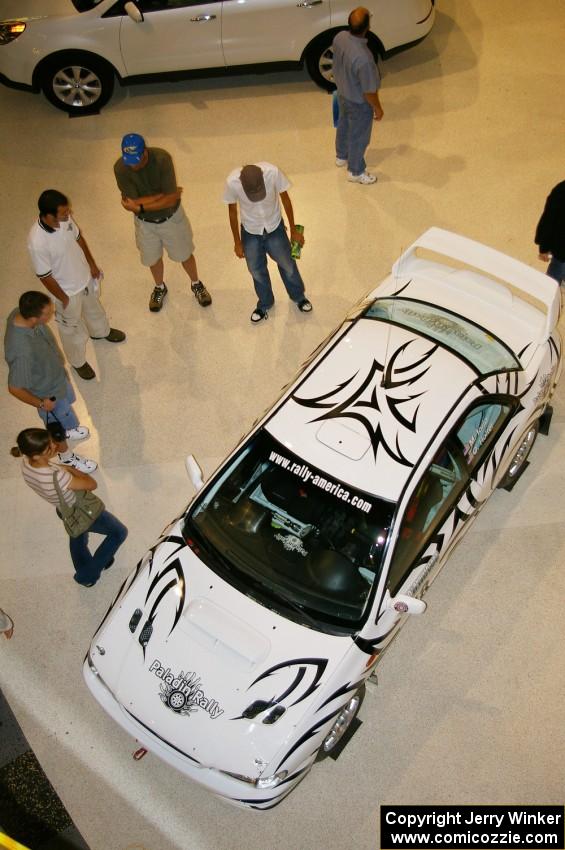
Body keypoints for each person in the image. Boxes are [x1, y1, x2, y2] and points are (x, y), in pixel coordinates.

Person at [27, 189, 125, 381]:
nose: (69, 215)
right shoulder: (37, 242)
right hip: (66, 291)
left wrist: (91, 265)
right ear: (48, 216)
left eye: (68, 211)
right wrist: (63, 298)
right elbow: (45, 276)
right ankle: (78, 361)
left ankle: (100, 332)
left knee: (94, 308)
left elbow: (79, 239)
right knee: (70, 329)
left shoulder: (65, 220)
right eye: (64, 213)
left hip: (85, 278)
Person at [12, 429, 128, 588]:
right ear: (37, 455)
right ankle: (87, 575)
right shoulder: (57, 477)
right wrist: (69, 469)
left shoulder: (26, 463)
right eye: (49, 446)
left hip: (63, 509)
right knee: (119, 533)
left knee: (78, 535)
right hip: (82, 510)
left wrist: (59, 468)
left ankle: (85, 566)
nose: (54, 445)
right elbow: (91, 484)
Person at [114, 133, 212, 313]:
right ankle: (159, 287)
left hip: (171, 219)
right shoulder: (121, 168)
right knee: (152, 258)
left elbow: (169, 201)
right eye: (130, 161)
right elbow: (132, 202)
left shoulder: (162, 159)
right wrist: (161, 196)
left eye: (137, 160)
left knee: (185, 255)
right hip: (144, 224)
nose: (133, 166)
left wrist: (142, 206)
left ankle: (196, 283)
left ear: (145, 152)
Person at [5, 291, 97, 472]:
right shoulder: (21, 350)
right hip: (48, 393)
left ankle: (69, 428)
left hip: (55, 377)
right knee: (57, 426)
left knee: (67, 410)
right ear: (33, 318)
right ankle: (66, 456)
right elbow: (14, 387)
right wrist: (41, 403)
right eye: (48, 313)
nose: (52, 314)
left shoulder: (19, 313)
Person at [223, 162, 312, 323]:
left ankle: (298, 296)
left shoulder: (273, 172)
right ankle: (265, 303)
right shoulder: (232, 182)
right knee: (256, 270)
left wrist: (294, 230)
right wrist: (237, 241)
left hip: (275, 227)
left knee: (287, 264)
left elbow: (285, 199)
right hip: (250, 231)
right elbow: (231, 211)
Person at [332, 7, 384, 185]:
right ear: (366, 28)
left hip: (342, 93)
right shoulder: (364, 59)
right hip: (358, 102)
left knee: (344, 123)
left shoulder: (339, 37)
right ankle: (356, 171)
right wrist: (377, 108)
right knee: (359, 136)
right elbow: (369, 91)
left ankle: (341, 155)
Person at [535, 179, 565, 284]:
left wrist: (544, 248)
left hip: (561, 251)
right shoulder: (560, 192)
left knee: (554, 275)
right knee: (556, 272)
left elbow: (548, 221)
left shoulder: (560, 191)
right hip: (561, 251)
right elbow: (549, 221)